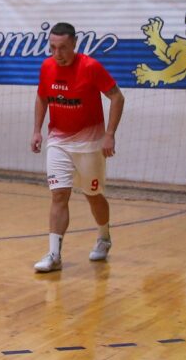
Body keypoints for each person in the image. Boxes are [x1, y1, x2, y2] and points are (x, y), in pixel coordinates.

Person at [31, 22, 125, 273]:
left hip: (90, 144)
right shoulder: (46, 66)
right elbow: (42, 96)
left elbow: (117, 97)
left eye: (63, 47)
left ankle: (104, 237)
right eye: (52, 47)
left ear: (74, 44)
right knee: (59, 195)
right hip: (58, 142)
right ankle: (54, 255)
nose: (57, 53)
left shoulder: (91, 67)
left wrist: (110, 135)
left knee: (93, 195)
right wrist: (37, 130)